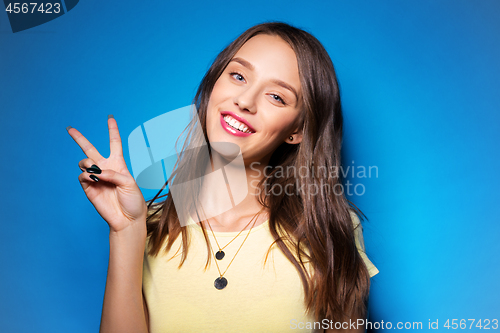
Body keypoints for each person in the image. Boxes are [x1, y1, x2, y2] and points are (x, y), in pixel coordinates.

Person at [67, 21, 378, 333]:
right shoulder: (147, 226)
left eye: (276, 97)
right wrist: (125, 231)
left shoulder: (328, 228)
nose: (244, 101)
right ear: (215, 83)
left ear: (297, 131)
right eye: (238, 76)